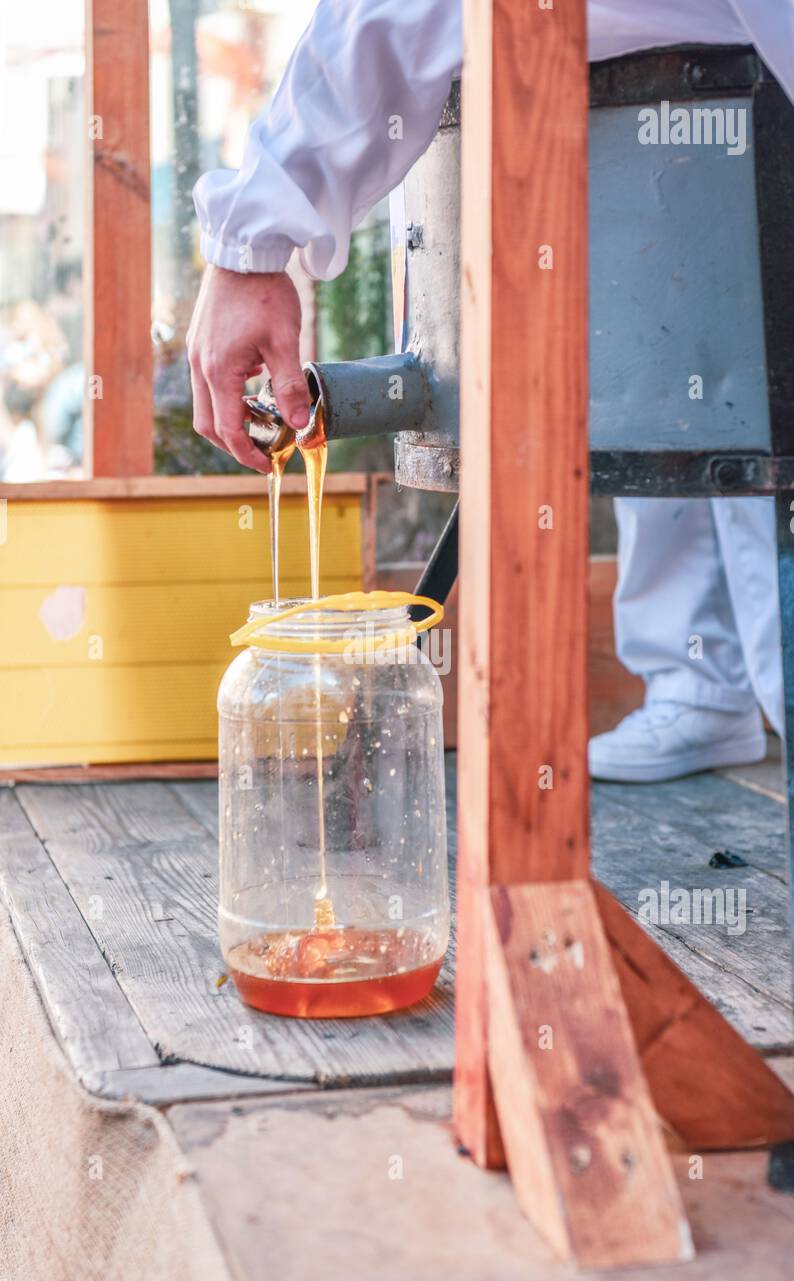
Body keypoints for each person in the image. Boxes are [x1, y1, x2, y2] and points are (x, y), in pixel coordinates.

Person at [187, 0, 794, 783]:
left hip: (750, 118)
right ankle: (699, 682)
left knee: (741, 425)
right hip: (667, 139)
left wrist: (251, 242)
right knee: (679, 385)